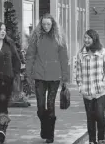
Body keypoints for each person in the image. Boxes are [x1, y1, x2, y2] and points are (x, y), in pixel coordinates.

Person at [25, 13, 69, 144]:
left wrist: (65, 77)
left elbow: (64, 58)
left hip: (54, 76)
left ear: (53, 24)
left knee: (50, 105)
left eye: (48, 24)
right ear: (40, 24)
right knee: (40, 107)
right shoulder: (36, 38)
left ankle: (50, 134)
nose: (46, 26)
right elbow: (30, 56)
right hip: (39, 75)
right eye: (43, 24)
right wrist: (29, 73)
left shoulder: (59, 38)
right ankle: (45, 127)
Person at [76, 29, 105, 144]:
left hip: (101, 91)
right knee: (90, 117)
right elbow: (78, 72)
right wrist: (81, 87)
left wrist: (102, 84)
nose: (86, 40)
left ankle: (101, 138)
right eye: (85, 37)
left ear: (94, 39)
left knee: (100, 115)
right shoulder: (81, 54)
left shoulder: (102, 52)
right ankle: (92, 140)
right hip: (87, 92)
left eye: (89, 38)